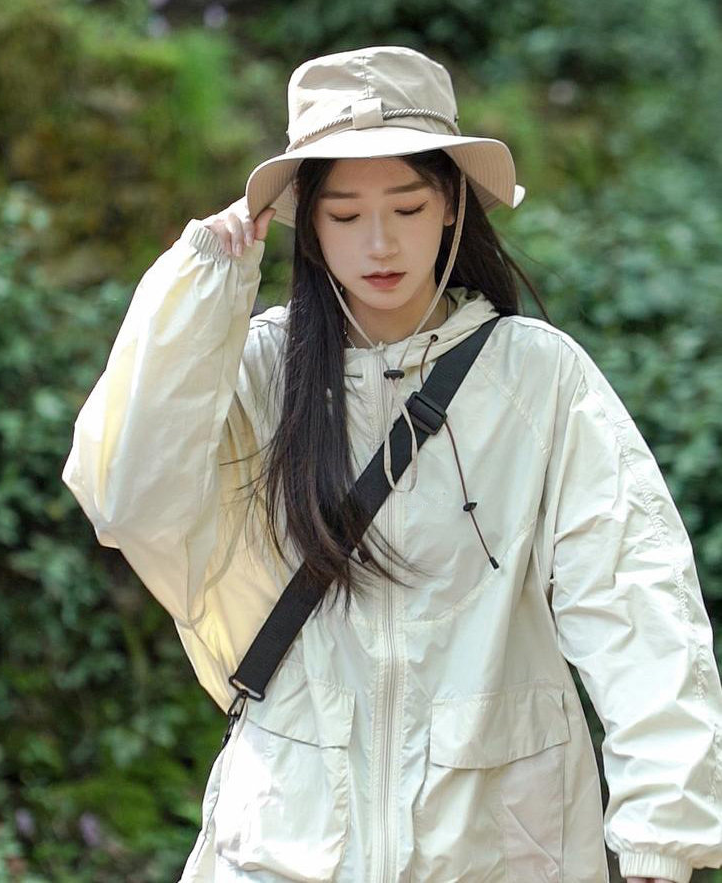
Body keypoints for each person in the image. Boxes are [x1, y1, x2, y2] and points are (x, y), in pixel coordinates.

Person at [61, 45, 722, 883]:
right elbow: (125, 497)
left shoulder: (537, 378)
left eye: (407, 205)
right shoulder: (260, 371)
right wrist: (203, 285)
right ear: (307, 222)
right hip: (286, 846)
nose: (379, 243)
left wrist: (663, 838)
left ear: (451, 204)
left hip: (499, 850)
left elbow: (635, 598)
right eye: (343, 215)